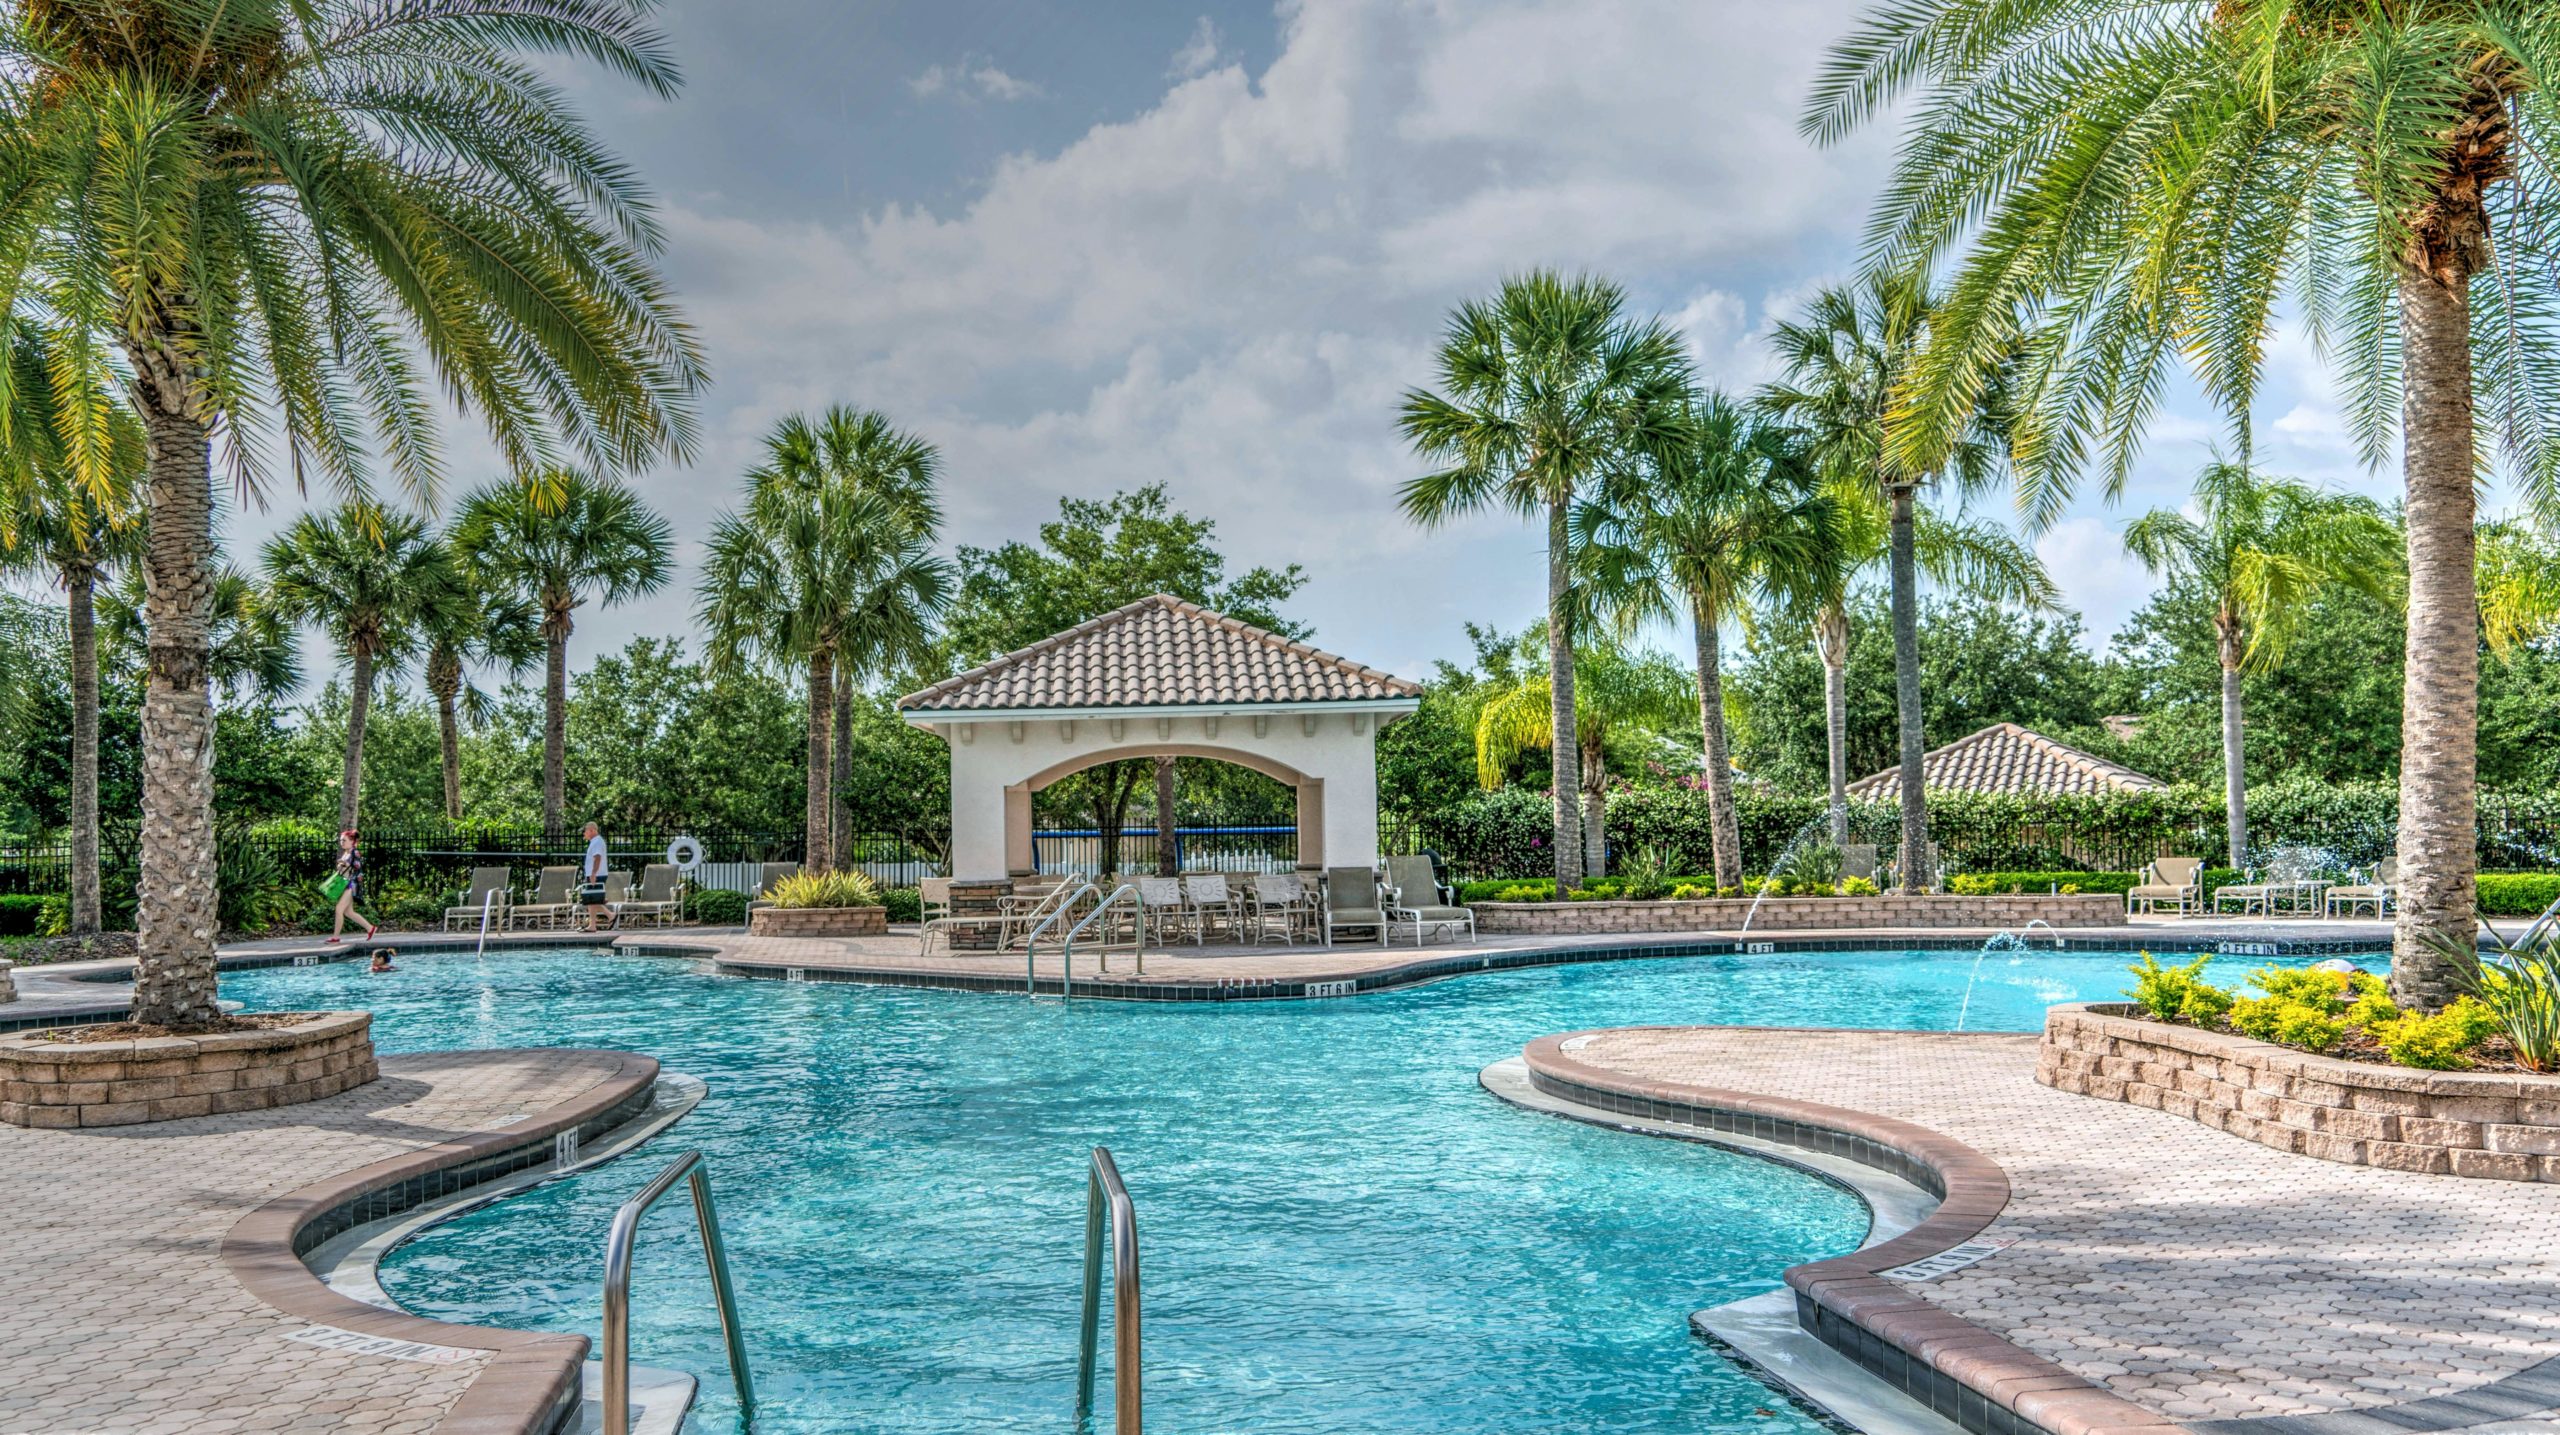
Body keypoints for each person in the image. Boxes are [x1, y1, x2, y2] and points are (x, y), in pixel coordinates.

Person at [328, 829, 378, 944]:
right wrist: (341, 864)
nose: (342, 842)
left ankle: (335, 937)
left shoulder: (354, 852)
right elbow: (344, 869)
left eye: (344, 840)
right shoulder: (346, 853)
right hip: (346, 884)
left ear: (352, 841)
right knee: (348, 912)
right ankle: (370, 928)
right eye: (341, 840)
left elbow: (357, 867)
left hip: (352, 884)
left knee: (339, 909)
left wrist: (344, 863)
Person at [580, 821, 614, 932]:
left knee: (591, 899)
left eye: (585, 831)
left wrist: (594, 873)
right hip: (595, 874)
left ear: (592, 830)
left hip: (597, 875)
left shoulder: (597, 842)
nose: (584, 833)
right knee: (592, 900)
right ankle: (595, 923)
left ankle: (608, 916)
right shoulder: (595, 842)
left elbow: (598, 857)